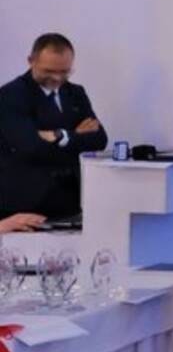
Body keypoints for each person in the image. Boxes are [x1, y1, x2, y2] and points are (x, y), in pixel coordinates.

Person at [0, 34, 108, 220]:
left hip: (70, 200)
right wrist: (77, 135)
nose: (57, 78)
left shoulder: (76, 93)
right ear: (31, 61)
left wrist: (59, 135)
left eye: (65, 71)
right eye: (49, 71)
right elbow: (30, 147)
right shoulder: (11, 95)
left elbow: (99, 140)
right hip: (25, 204)